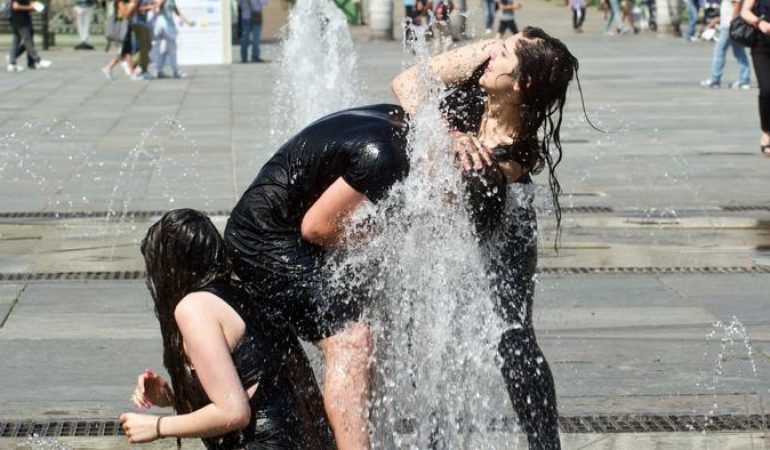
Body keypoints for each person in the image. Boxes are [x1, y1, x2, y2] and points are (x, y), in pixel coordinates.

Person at [392, 27, 580, 449]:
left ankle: (544, 443)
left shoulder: (516, 152)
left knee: (512, 338)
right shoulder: (477, 83)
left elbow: (457, 193)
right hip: (447, 229)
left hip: (504, 235)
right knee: (432, 333)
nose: (493, 52)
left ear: (522, 84)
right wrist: (452, 133)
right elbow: (406, 82)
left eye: (506, 54)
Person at [224, 104, 411, 450]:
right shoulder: (389, 153)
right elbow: (318, 228)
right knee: (352, 341)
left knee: (371, 325)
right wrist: (386, 228)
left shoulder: (398, 122)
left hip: (281, 232)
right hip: (264, 240)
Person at [119, 209, 336, 449]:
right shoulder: (242, 293)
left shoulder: (194, 307)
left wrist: (158, 426)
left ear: (170, 269)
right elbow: (245, 395)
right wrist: (168, 397)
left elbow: (234, 412)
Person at [699, 0, 751, 89]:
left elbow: (737, 5)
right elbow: (729, 9)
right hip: (728, 25)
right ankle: (744, 80)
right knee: (739, 53)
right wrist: (716, 21)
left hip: (728, 27)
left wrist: (733, 23)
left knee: (719, 52)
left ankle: (715, 79)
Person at [741, 0, 770, 155]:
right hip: (761, 46)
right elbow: (744, 11)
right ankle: (766, 132)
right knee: (766, 90)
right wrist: (759, 22)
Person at [151, 0, 193, 78]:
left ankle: (158, 70)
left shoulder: (172, 1)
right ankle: (176, 71)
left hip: (169, 25)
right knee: (171, 48)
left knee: (164, 49)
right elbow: (156, 6)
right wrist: (157, 6)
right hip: (163, 25)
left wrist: (188, 22)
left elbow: (178, 13)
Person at [7, 0, 51, 72]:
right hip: (20, 21)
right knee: (28, 41)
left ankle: (12, 64)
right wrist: (29, 7)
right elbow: (16, 6)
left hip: (19, 20)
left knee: (16, 42)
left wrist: (34, 6)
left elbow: (25, 3)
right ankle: (38, 60)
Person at [102, 0, 135, 79]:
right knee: (125, 52)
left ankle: (109, 68)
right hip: (123, 28)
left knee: (125, 52)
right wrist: (131, 6)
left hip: (126, 27)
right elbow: (125, 13)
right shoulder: (120, 2)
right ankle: (131, 72)